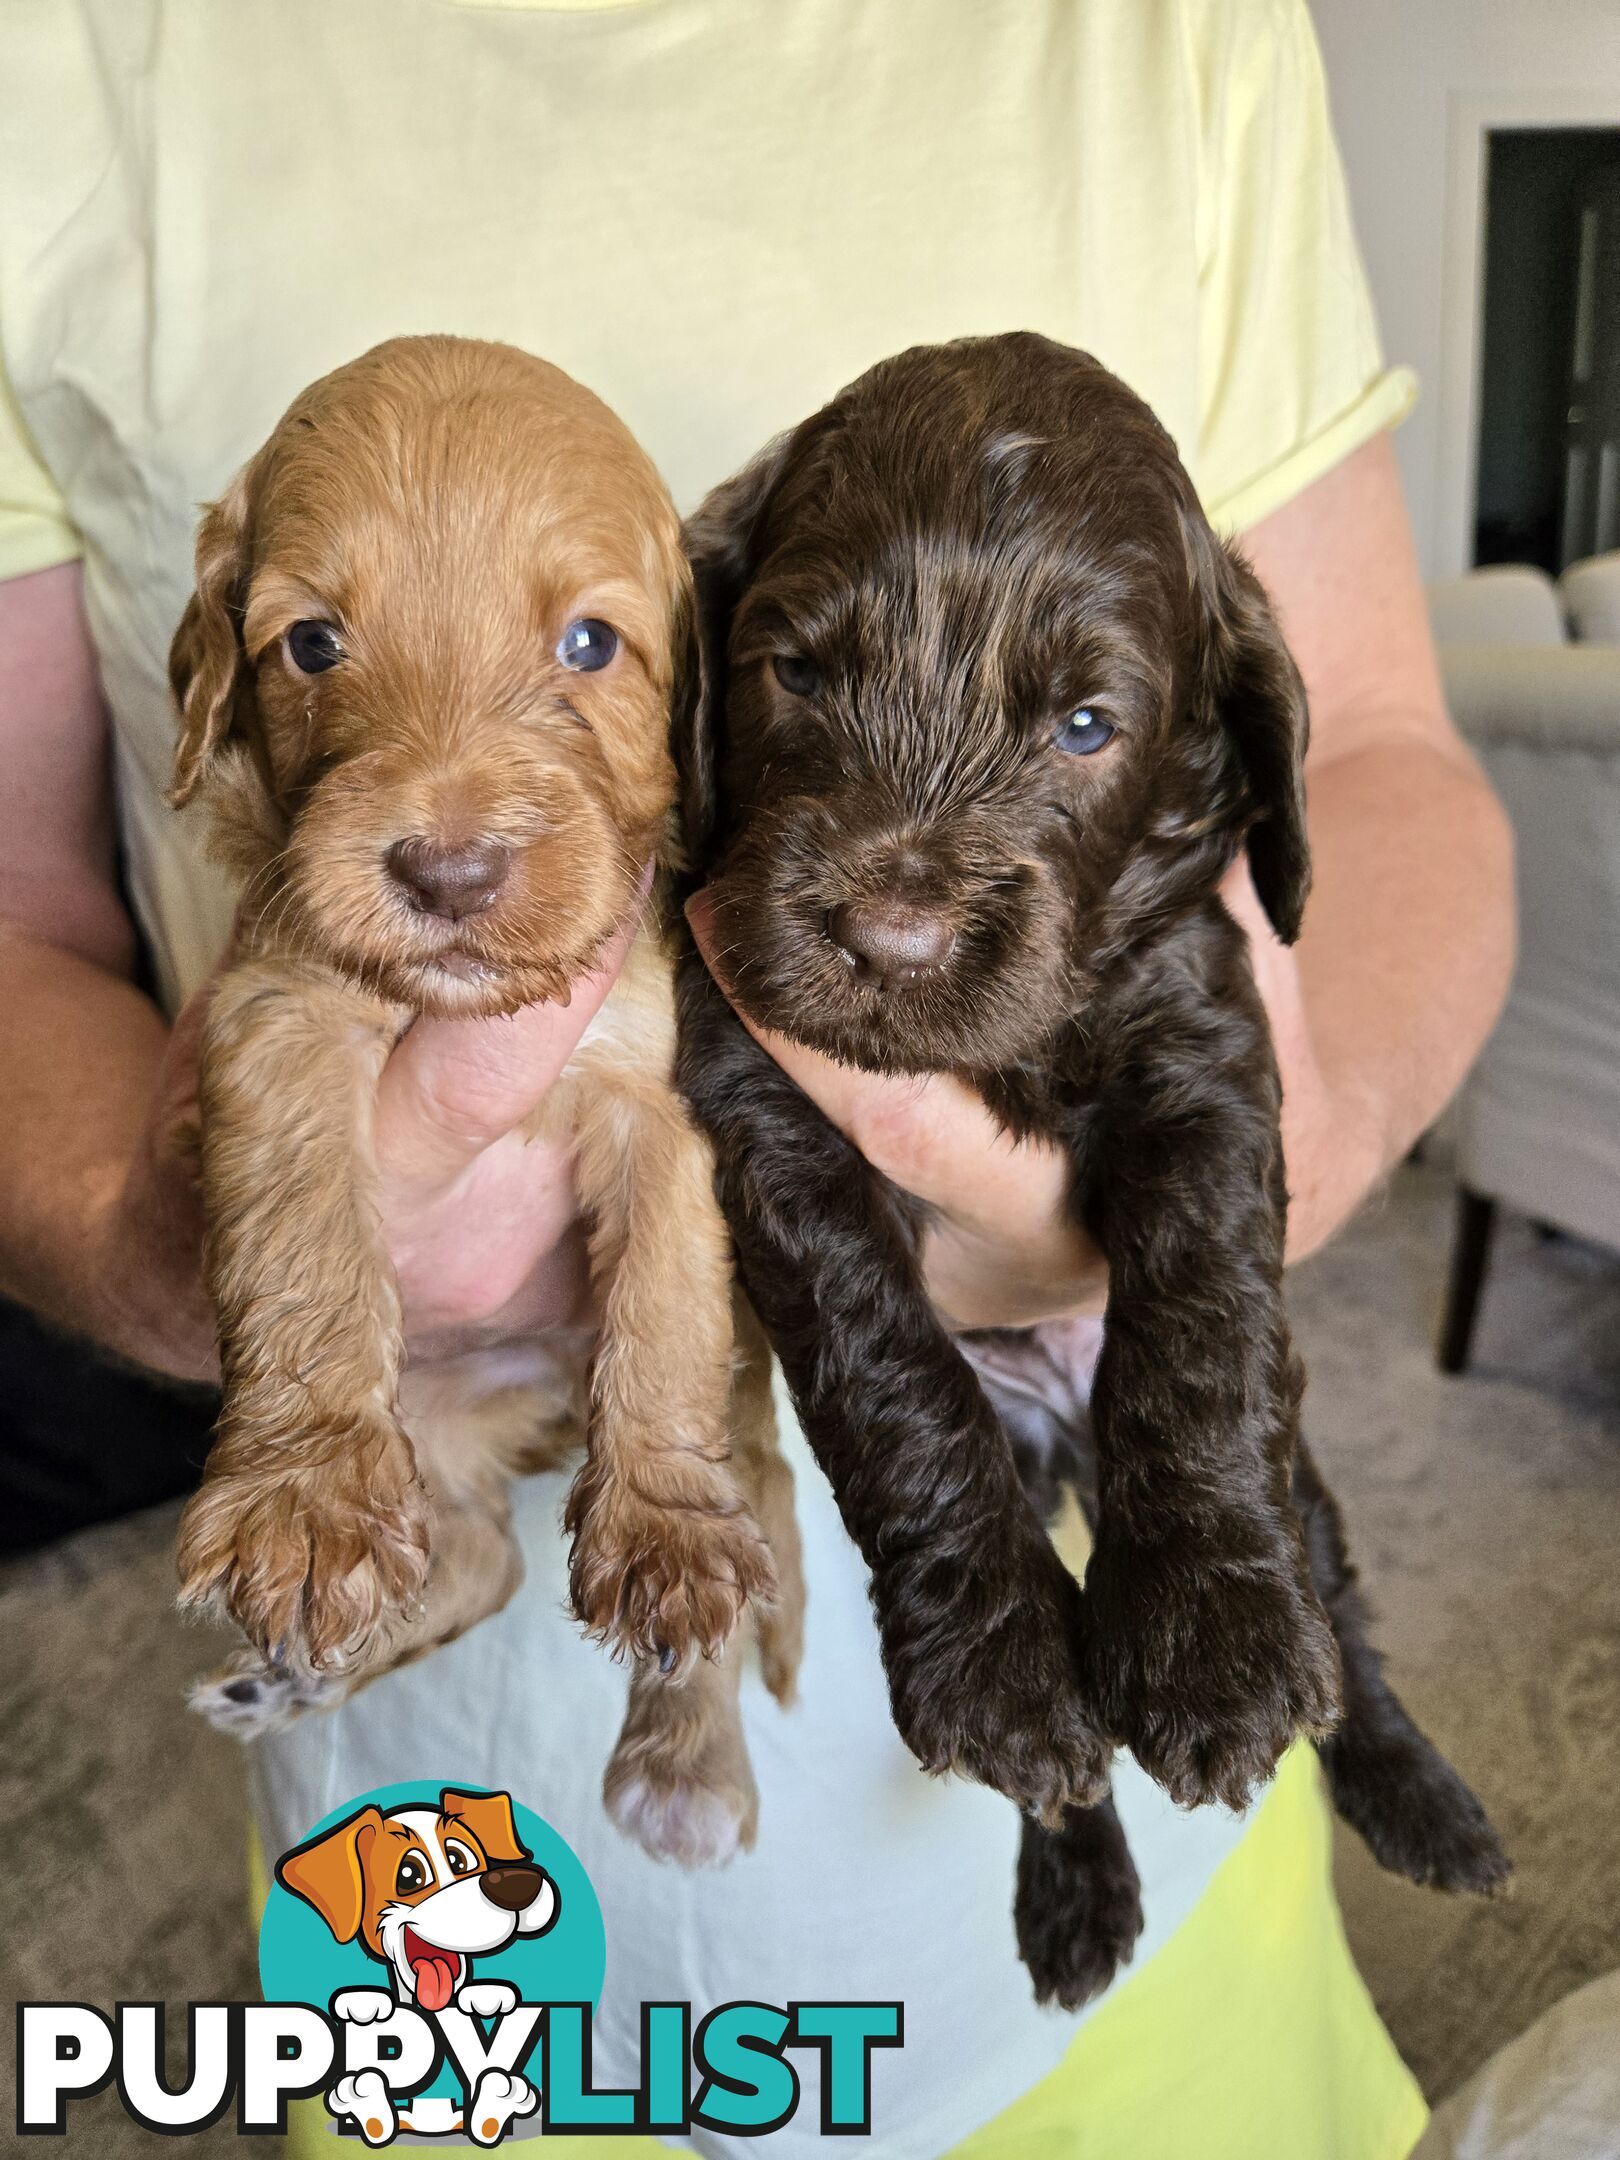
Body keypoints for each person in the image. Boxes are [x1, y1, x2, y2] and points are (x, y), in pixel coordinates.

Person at [0, 2, 1513, 2153]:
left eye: (592, 650)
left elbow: (1373, 755)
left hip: (1151, 1962)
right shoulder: (62, 55)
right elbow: (17, 915)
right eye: (318, 644)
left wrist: (1226, 1197)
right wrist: (223, 1280)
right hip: (443, 1901)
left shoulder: (1178, 29)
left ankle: (1154, 1794)